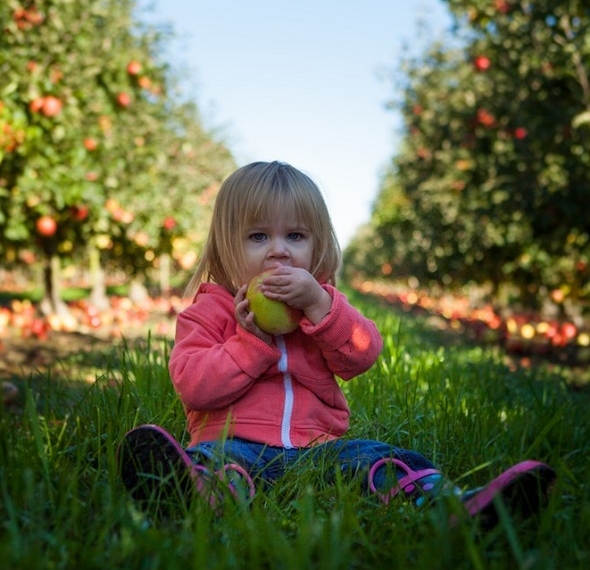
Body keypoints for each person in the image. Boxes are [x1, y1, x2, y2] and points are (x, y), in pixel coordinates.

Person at [118, 160, 555, 526]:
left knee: (384, 459)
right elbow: (195, 386)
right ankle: (190, 493)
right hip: (233, 442)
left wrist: (321, 308)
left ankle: (457, 506)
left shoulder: (322, 306)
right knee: (215, 463)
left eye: (295, 236)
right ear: (224, 245)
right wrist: (251, 343)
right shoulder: (207, 313)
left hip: (318, 450)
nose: (279, 252)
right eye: (258, 237)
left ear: (316, 244)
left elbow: (363, 354)